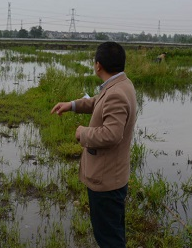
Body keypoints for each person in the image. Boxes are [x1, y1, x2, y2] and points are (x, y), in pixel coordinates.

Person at [50, 42, 137, 248]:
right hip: (113, 176)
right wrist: (71, 105)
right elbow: (98, 102)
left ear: (98, 65)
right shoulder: (122, 85)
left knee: (108, 239)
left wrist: (83, 133)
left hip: (106, 180)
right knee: (113, 232)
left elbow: (112, 134)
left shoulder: (116, 92)